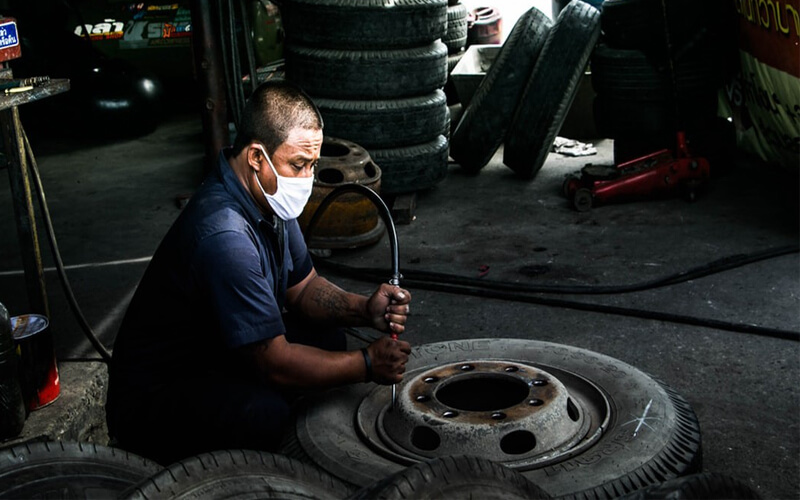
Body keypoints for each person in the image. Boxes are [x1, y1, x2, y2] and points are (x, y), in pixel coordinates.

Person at [106, 81, 412, 465]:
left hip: (211, 353)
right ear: (256, 157)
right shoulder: (224, 236)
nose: (307, 179)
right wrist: (367, 363)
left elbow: (304, 289)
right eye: (298, 165)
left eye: (312, 165)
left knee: (328, 336)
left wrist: (364, 308)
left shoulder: (267, 200)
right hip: (155, 400)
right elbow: (275, 362)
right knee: (264, 414)